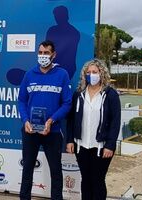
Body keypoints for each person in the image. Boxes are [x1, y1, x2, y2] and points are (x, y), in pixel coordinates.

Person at [18, 40, 72, 200]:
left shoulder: (62, 75)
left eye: (46, 53)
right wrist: (25, 120)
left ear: (53, 55)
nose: (42, 56)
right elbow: (21, 100)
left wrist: (51, 121)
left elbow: (67, 103)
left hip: (52, 131)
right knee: (27, 168)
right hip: (30, 130)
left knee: (56, 170)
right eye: (40, 52)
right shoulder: (29, 74)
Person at [66, 59, 121, 200]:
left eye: (95, 72)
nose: (91, 75)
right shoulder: (78, 94)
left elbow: (115, 122)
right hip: (81, 145)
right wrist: (70, 140)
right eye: (88, 72)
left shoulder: (111, 95)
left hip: (101, 147)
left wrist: (110, 145)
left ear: (102, 73)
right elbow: (71, 119)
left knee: (97, 180)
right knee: (85, 180)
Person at [45, 5, 80, 79]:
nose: (57, 18)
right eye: (56, 16)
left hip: (67, 69)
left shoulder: (74, 32)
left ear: (66, 16)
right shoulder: (52, 30)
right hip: (51, 67)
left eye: (59, 16)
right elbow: (46, 49)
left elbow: (62, 50)